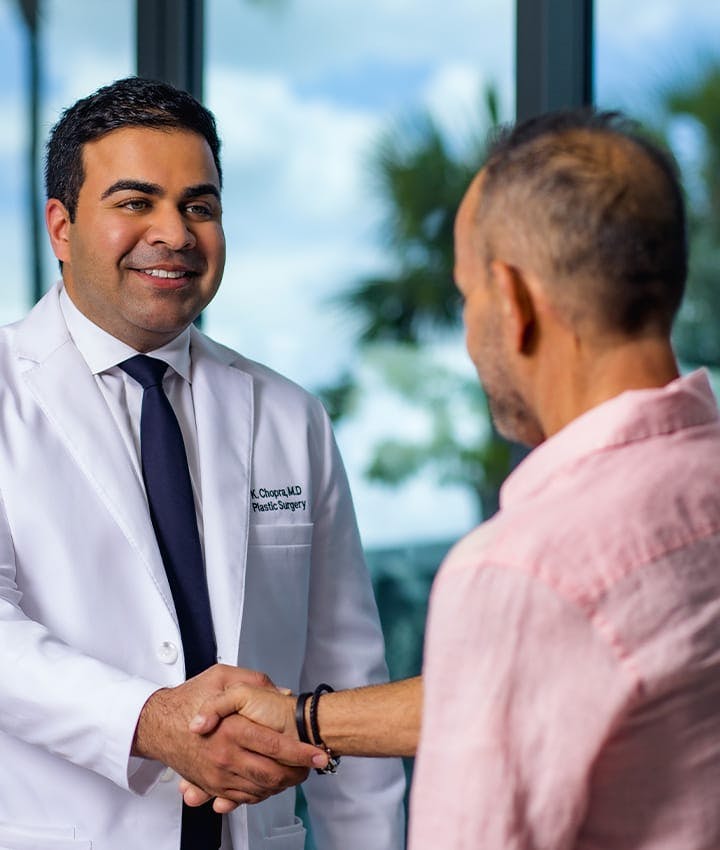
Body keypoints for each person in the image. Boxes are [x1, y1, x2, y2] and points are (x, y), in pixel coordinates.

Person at [188, 109, 720, 849]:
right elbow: (543, 682)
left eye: (468, 296)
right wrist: (304, 718)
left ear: (514, 299)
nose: (469, 332)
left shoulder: (520, 572)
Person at [0, 76, 405, 850]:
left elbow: (347, 675)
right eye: (135, 202)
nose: (175, 234)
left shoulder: (289, 414)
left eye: (200, 207)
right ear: (61, 227)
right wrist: (151, 721)